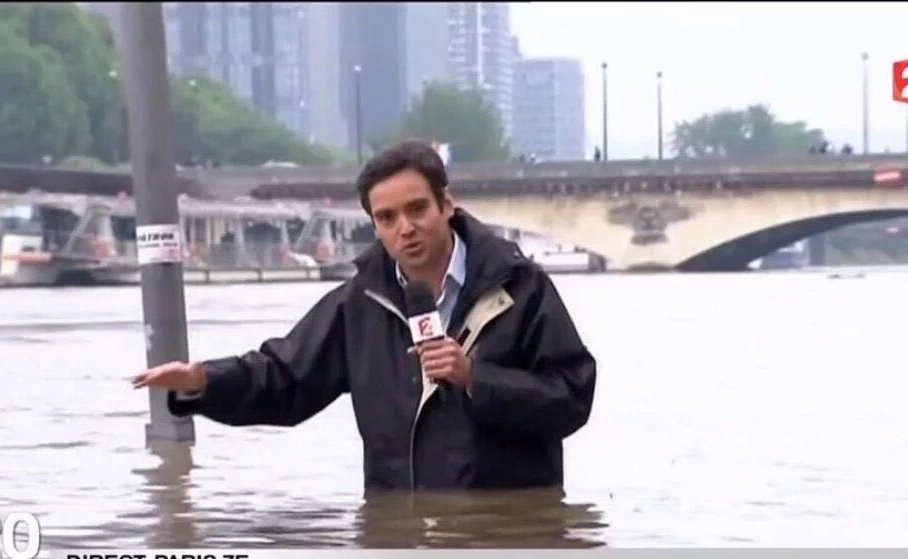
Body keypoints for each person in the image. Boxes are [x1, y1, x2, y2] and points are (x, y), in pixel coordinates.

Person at [131, 139, 597, 491]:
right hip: (401, 543)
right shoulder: (360, 304)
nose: (405, 229)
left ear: (447, 205)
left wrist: (476, 377)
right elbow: (286, 377)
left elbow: (572, 399)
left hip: (507, 541)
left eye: (417, 209)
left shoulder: (520, 288)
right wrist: (204, 381)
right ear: (374, 225)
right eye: (387, 218)